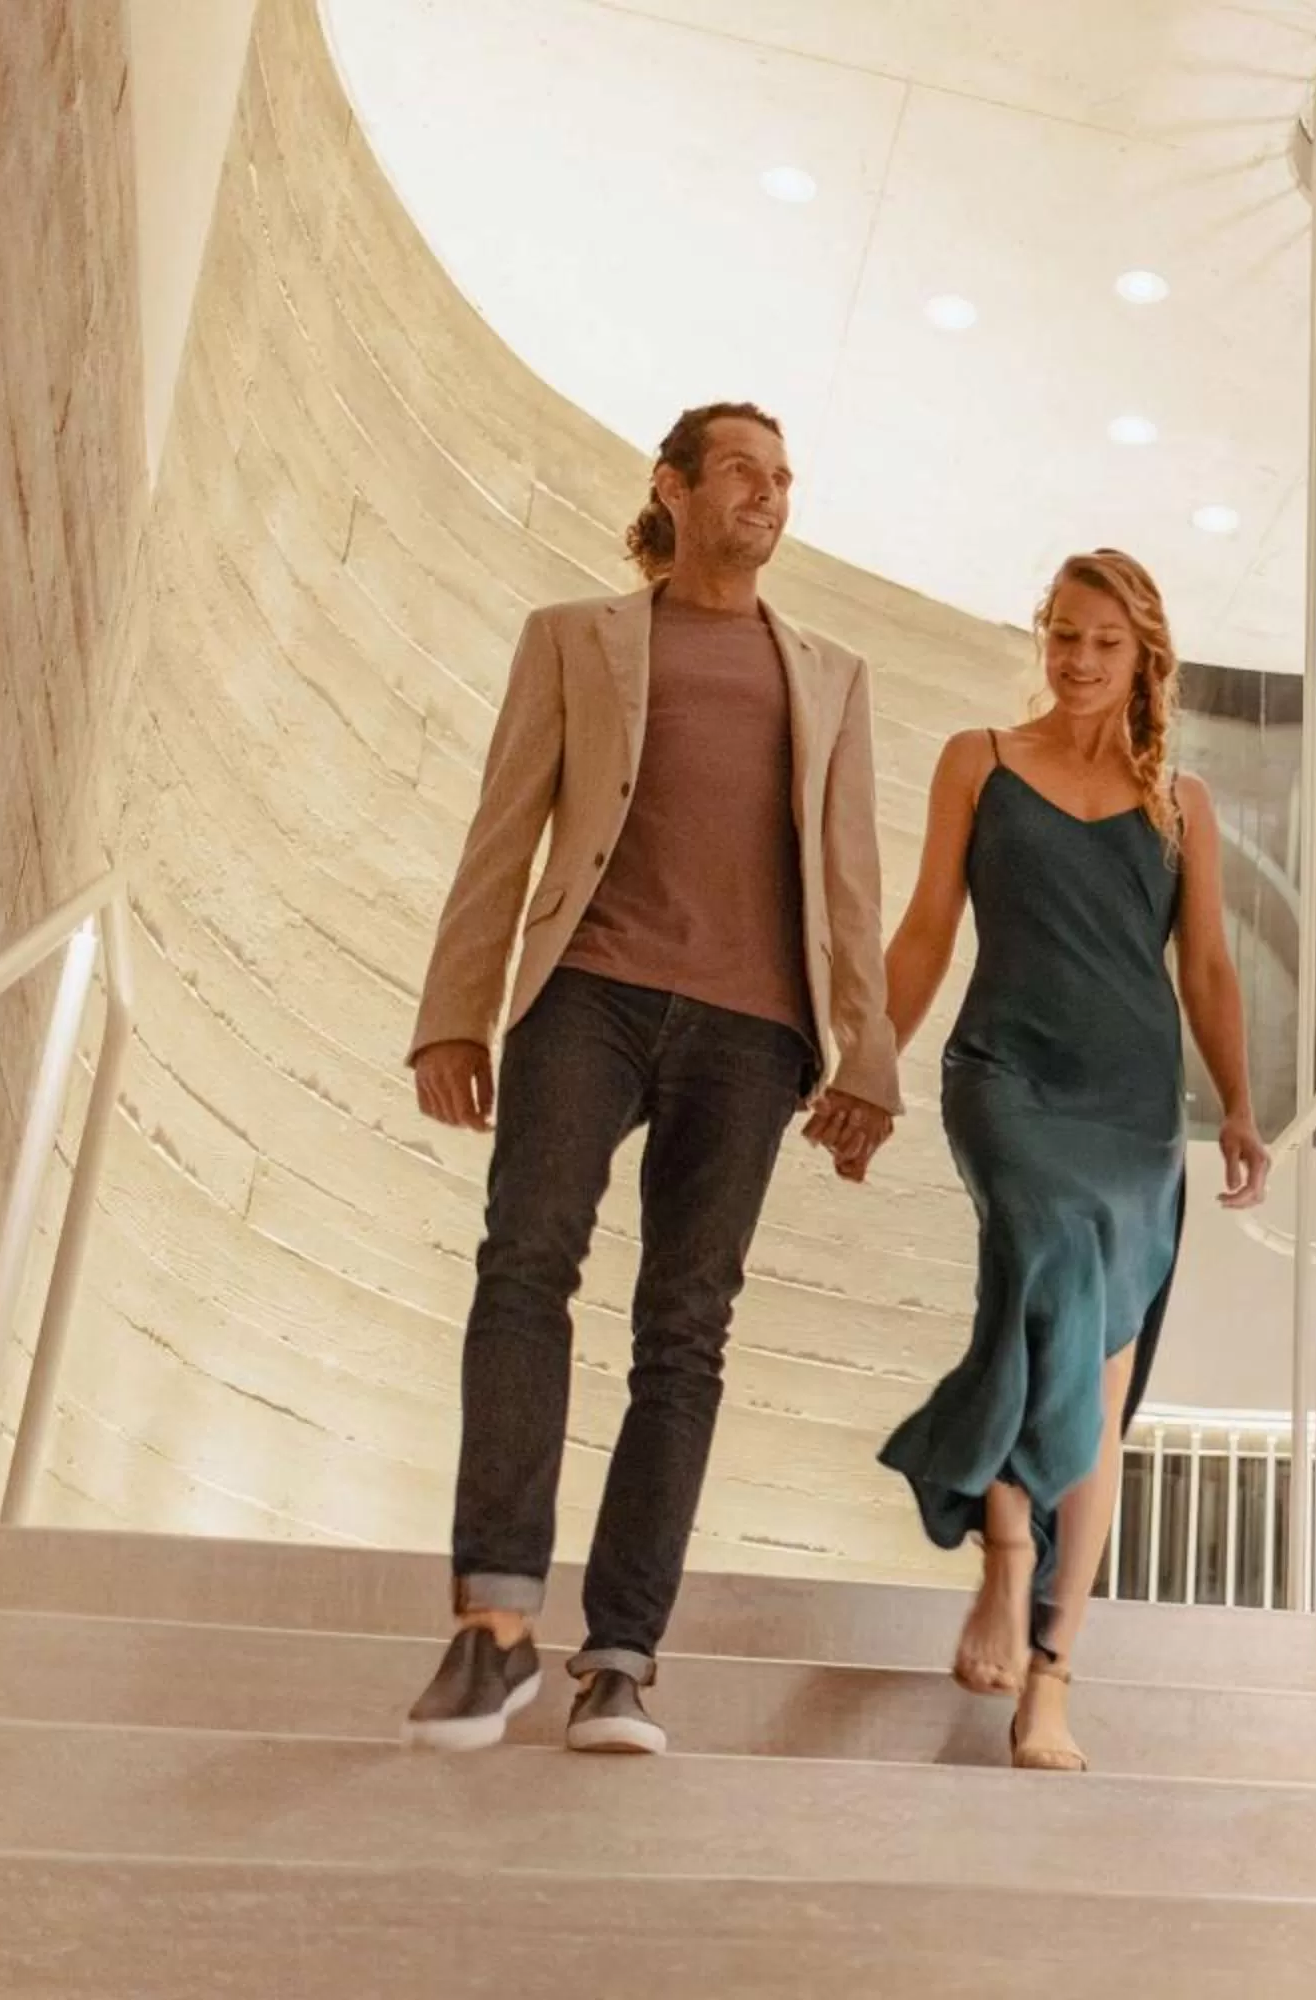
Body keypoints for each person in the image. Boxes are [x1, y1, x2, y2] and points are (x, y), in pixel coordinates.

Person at [400, 401, 901, 1755]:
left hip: (756, 1032)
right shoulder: (577, 638)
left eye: (786, 476)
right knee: (525, 1270)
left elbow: (848, 885)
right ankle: (493, 1628)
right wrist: (455, 1013)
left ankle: (619, 1659)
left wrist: (869, 1055)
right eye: (742, 469)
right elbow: (504, 830)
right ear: (673, 488)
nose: (770, 493)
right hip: (589, 996)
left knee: (685, 1334)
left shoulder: (833, 674)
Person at [858, 548, 1266, 1772]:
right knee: (1042, 1255)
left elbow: (1205, 968)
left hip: (1135, 1108)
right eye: (1062, 634)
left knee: (1099, 1380)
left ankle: (1051, 1677)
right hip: (1008, 1077)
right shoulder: (978, 762)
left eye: (1103, 642)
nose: (1078, 659)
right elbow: (929, 923)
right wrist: (867, 1064)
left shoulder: (1180, 803)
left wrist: (1239, 1102)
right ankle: (1007, 1550)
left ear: (1143, 657)